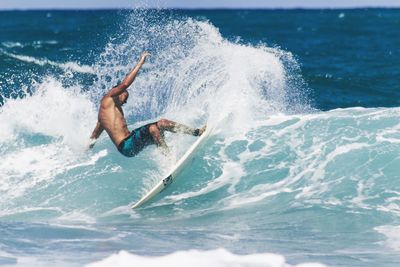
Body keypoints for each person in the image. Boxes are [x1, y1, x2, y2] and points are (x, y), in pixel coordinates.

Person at [88, 52, 206, 157]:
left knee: (161, 125)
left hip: (129, 148)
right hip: (126, 144)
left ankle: (196, 132)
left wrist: (86, 150)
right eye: (125, 97)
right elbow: (124, 84)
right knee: (153, 128)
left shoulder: (104, 116)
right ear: (118, 92)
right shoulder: (109, 97)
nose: (125, 101)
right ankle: (169, 159)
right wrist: (140, 62)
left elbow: (95, 135)